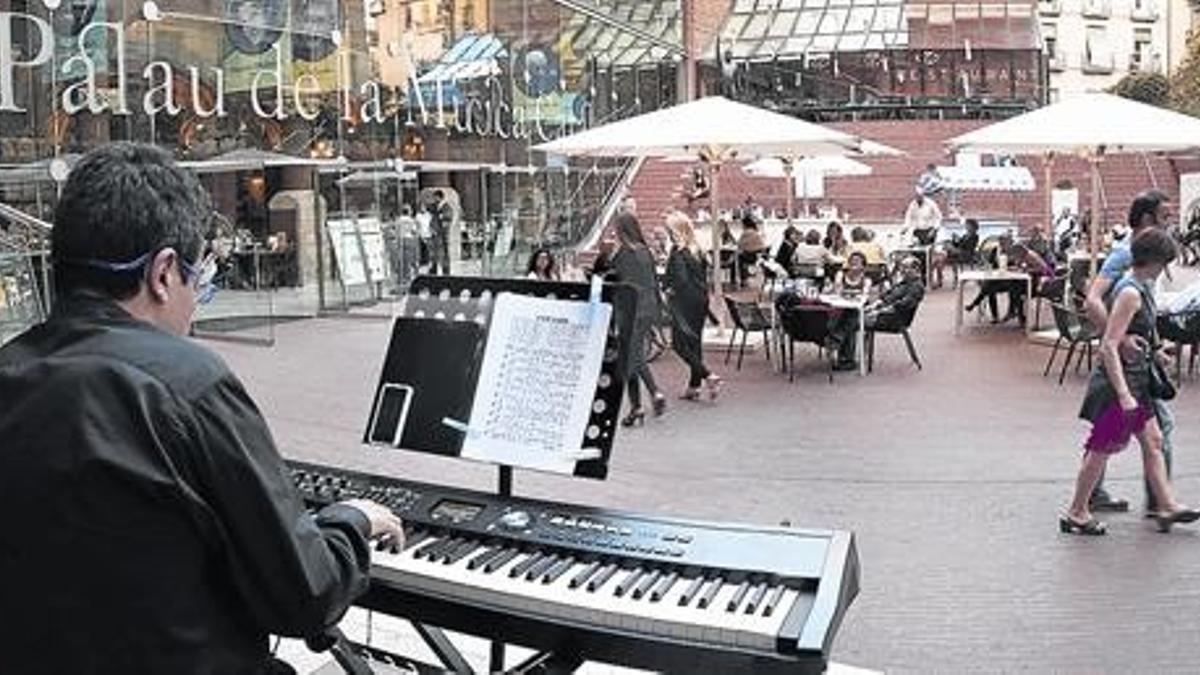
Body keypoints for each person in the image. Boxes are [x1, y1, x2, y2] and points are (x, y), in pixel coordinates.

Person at [0, 143, 405, 673]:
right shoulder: (188, 382)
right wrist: (352, 519)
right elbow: (305, 594)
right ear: (163, 273)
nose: (196, 302)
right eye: (201, 279)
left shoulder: (10, 371)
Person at [1061, 229, 1199, 535]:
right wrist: (1123, 394)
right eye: (1165, 262)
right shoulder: (1130, 292)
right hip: (1120, 385)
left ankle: (1166, 504)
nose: (1166, 269)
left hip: (1134, 381)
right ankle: (1076, 512)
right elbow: (1109, 344)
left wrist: (1156, 351)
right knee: (1101, 448)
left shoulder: (1140, 286)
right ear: (1153, 261)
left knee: (1153, 441)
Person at [1084, 189, 1175, 514]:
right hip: (1123, 368)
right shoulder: (1126, 255)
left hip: (1136, 365)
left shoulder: (1152, 252)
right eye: (1165, 217)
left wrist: (1154, 345)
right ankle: (1156, 503)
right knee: (1110, 435)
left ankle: (1161, 502)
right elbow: (1092, 298)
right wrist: (1119, 339)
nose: (1170, 223)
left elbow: (1143, 307)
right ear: (1148, 219)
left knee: (1129, 435)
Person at [611, 213, 666, 426]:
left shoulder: (623, 254)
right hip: (648, 306)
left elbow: (613, 279)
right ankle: (638, 406)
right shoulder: (646, 252)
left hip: (629, 309)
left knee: (631, 357)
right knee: (632, 356)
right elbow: (653, 280)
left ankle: (648, 397)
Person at [664, 212, 721, 401]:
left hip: (684, 302)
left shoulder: (678, 252)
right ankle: (694, 387)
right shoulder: (698, 249)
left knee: (678, 344)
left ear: (676, 231)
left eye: (669, 230)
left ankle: (708, 376)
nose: (667, 233)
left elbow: (680, 279)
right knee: (695, 343)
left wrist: (670, 289)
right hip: (701, 301)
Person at [831, 256, 924, 368]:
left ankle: (842, 351)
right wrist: (874, 305)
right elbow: (886, 296)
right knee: (849, 314)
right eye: (902, 267)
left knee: (852, 319)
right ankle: (842, 351)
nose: (902, 270)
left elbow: (902, 305)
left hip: (894, 319)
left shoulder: (916, 286)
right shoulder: (904, 282)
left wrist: (878, 312)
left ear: (916, 269)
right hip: (884, 313)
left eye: (906, 268)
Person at [931, 218, 981, 288]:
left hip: (965, 254)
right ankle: (938, 279)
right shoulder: (965, 235)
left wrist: (958, 244)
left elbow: (968, 247)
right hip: (958, 252)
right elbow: (958, 244)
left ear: (972, 226)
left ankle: (939, 279)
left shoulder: (975, 236)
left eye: (967, 225)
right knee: (940, 259)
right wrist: (956, 239)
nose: (966, 226)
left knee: (946, 247)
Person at [737, 215, 768, 284]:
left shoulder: (747, 232)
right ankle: (746, 275)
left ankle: (743, 278)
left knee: (739, 257)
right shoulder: (755, 231)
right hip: (761, 255)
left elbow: (740, 244)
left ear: (745, 224)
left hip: (753, 256)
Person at [429, 189, 453, 275]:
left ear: (439, 197)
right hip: (436, 234)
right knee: (435, 252)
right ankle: (434, 269)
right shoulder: (435, 207)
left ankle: (446, 271)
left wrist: (441, 219)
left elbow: (447, 220)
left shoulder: (446, 207)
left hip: (442, 234)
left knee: (444, 252)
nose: (434, 199)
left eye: (435, 197)